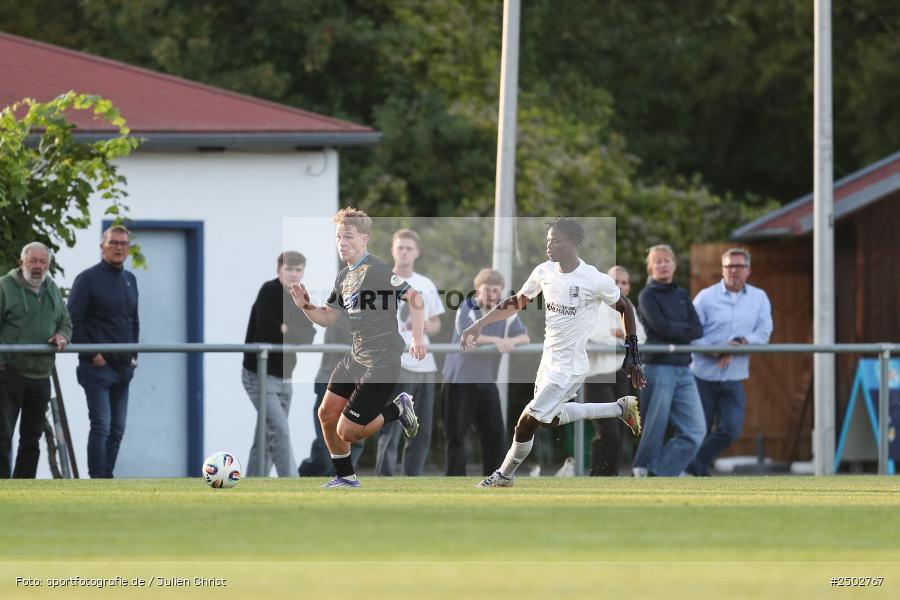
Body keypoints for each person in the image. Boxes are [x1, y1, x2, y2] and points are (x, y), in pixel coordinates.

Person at [460, 218, 645, 488]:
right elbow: (516, 302)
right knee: (550, 419)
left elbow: (625, 306)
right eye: (548, 239)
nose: (549, 245)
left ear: (572, 243)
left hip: (569, 367)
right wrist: (478, 324)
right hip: (548, 362)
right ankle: (619, 408)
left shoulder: (593, 278)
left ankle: (504, 474)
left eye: (555, 240)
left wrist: (633, 354)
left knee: (526, 422)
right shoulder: (544, 271)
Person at [288, 207, 427, 488]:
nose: (342, 242)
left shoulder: (376, 271)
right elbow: (326, 318)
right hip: (356, 356)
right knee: (326, 413)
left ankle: (398, 409)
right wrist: (304, 306)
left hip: (382, 359)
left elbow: (415, 297)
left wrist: (417, 338)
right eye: (339, 236)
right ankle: (345, 476)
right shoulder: (344, 277)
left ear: (364, 239)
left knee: (348, 431)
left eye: (348, 236)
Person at [687, 248, 772, 476]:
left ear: (748, 270)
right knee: (698, 430)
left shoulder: (759, 297)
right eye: (729, 266)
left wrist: (741, 342)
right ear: (723, 269)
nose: (734, 271)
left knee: (731, 429)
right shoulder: (706, 296)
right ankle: (697, 471)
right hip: (703, 374)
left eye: (739, 266)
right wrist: (716, 351)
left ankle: (693, 464)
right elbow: (692, 334)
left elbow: (763, 334)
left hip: (734, 375)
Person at [67, 225, 140, 479]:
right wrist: (93, 355)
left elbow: (134, 321)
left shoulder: (130, 280)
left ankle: (106, 478)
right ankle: (97, 480)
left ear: (128, 249)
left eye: (123, 244)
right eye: (113, 243)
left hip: (123, 370)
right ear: (102, 247)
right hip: (97, 369)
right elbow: (72, 322)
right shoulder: (87, 279)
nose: (119, 248)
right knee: (102, 427)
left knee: (118, 429)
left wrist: (134, 356)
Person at [442, 268, 529, 476]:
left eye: (496, 290)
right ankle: (454, 483)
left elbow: (524, 337)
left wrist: (510, 340)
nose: (492, 295)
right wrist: (497, 341)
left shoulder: (505, 311)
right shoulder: (467, 306)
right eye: (487, 290)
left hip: (486, 380)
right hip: (458, 380)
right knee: (456, 436)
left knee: (495, 434)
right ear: (477, 290)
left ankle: (494, 478)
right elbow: (469, 337)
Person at [632, 244, 706, 477]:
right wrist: (679, 331)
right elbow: (661, 328)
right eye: (658, 261)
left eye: (667, 260)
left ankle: (656, 472)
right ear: (650, 267)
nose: (663, 265)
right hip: (658, 367)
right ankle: (641, 470)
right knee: (655, 426)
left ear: (674, 264)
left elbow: (698, 329)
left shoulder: (682, 295)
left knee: (696, 430)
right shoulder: (647, 295)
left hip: (684, 368)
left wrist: (676, 331)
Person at [375, 229, 444, 476]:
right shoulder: (382, 280)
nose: (404, 252)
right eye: (400, 247)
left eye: (408, 248)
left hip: (425, 364)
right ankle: (384, 478)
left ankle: (412, 479)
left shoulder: (425, 284)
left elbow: (436, 325)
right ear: (393, 250)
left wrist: (424, 325)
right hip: (396, 364)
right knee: (391, 425)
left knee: (420, 429)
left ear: (416, 252)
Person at [242, 251, 316, 477]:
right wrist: (288, 331)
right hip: (259, 375)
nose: (293, 274)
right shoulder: (268, 292)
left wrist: (287, 328)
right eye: (289, 269)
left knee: (266, 435)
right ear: (278, 270)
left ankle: (253, 484)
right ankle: (293, 483)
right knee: (280, 431)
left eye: (298, 270)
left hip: (285, 376)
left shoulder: (300, 295)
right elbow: (268, 333)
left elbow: (310, 334)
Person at [0, 242, 71, 478]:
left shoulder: (52, 289)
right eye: (33, 261)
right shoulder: (4, 287)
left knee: (31, 439)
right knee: (2, 436)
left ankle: (23, 487)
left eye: (42, 262)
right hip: (8, 373)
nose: (38, 266)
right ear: (21, 263)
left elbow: (66, 322)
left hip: (41, 375)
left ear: (48, 265)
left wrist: (62, 335)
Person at [584, 265, 646, 476]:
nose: (619, 286)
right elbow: (599, 337)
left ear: (629, 287)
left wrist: (621, 335)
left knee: (620, 430)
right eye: (614, 281)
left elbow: (642, 337)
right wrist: (623, 336)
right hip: (597, 376)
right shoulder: (597, 306)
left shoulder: (629, 308)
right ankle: (597, 478)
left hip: (620, 373)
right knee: (608, 430)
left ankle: (609, 478)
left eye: (624, 282)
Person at [297, 310, 364, 476]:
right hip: (331, 382)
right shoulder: (339, 311)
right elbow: (354, 339)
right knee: (327, 444)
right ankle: (305, 476)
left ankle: (342, 477)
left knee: (355, 440)